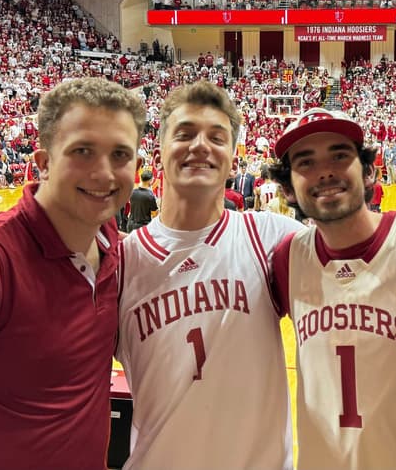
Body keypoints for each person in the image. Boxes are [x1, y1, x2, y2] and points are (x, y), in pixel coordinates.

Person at [0, 78, 146, 469]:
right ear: (43, 163)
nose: (104, 173)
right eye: (82, 151)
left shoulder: (117, 254)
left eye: (120, 154)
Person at [116, 82, 303, 470]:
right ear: (158, 153)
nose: (200, 145)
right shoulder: (120, 262)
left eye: (216, 137)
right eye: (184, 134)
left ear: (233, 160)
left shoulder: (271, 237)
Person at [269, 107, 396, 469]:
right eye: (306, 162)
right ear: (287, 188)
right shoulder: (288, 258)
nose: (325, 171)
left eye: (339, 156)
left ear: (369, 170)